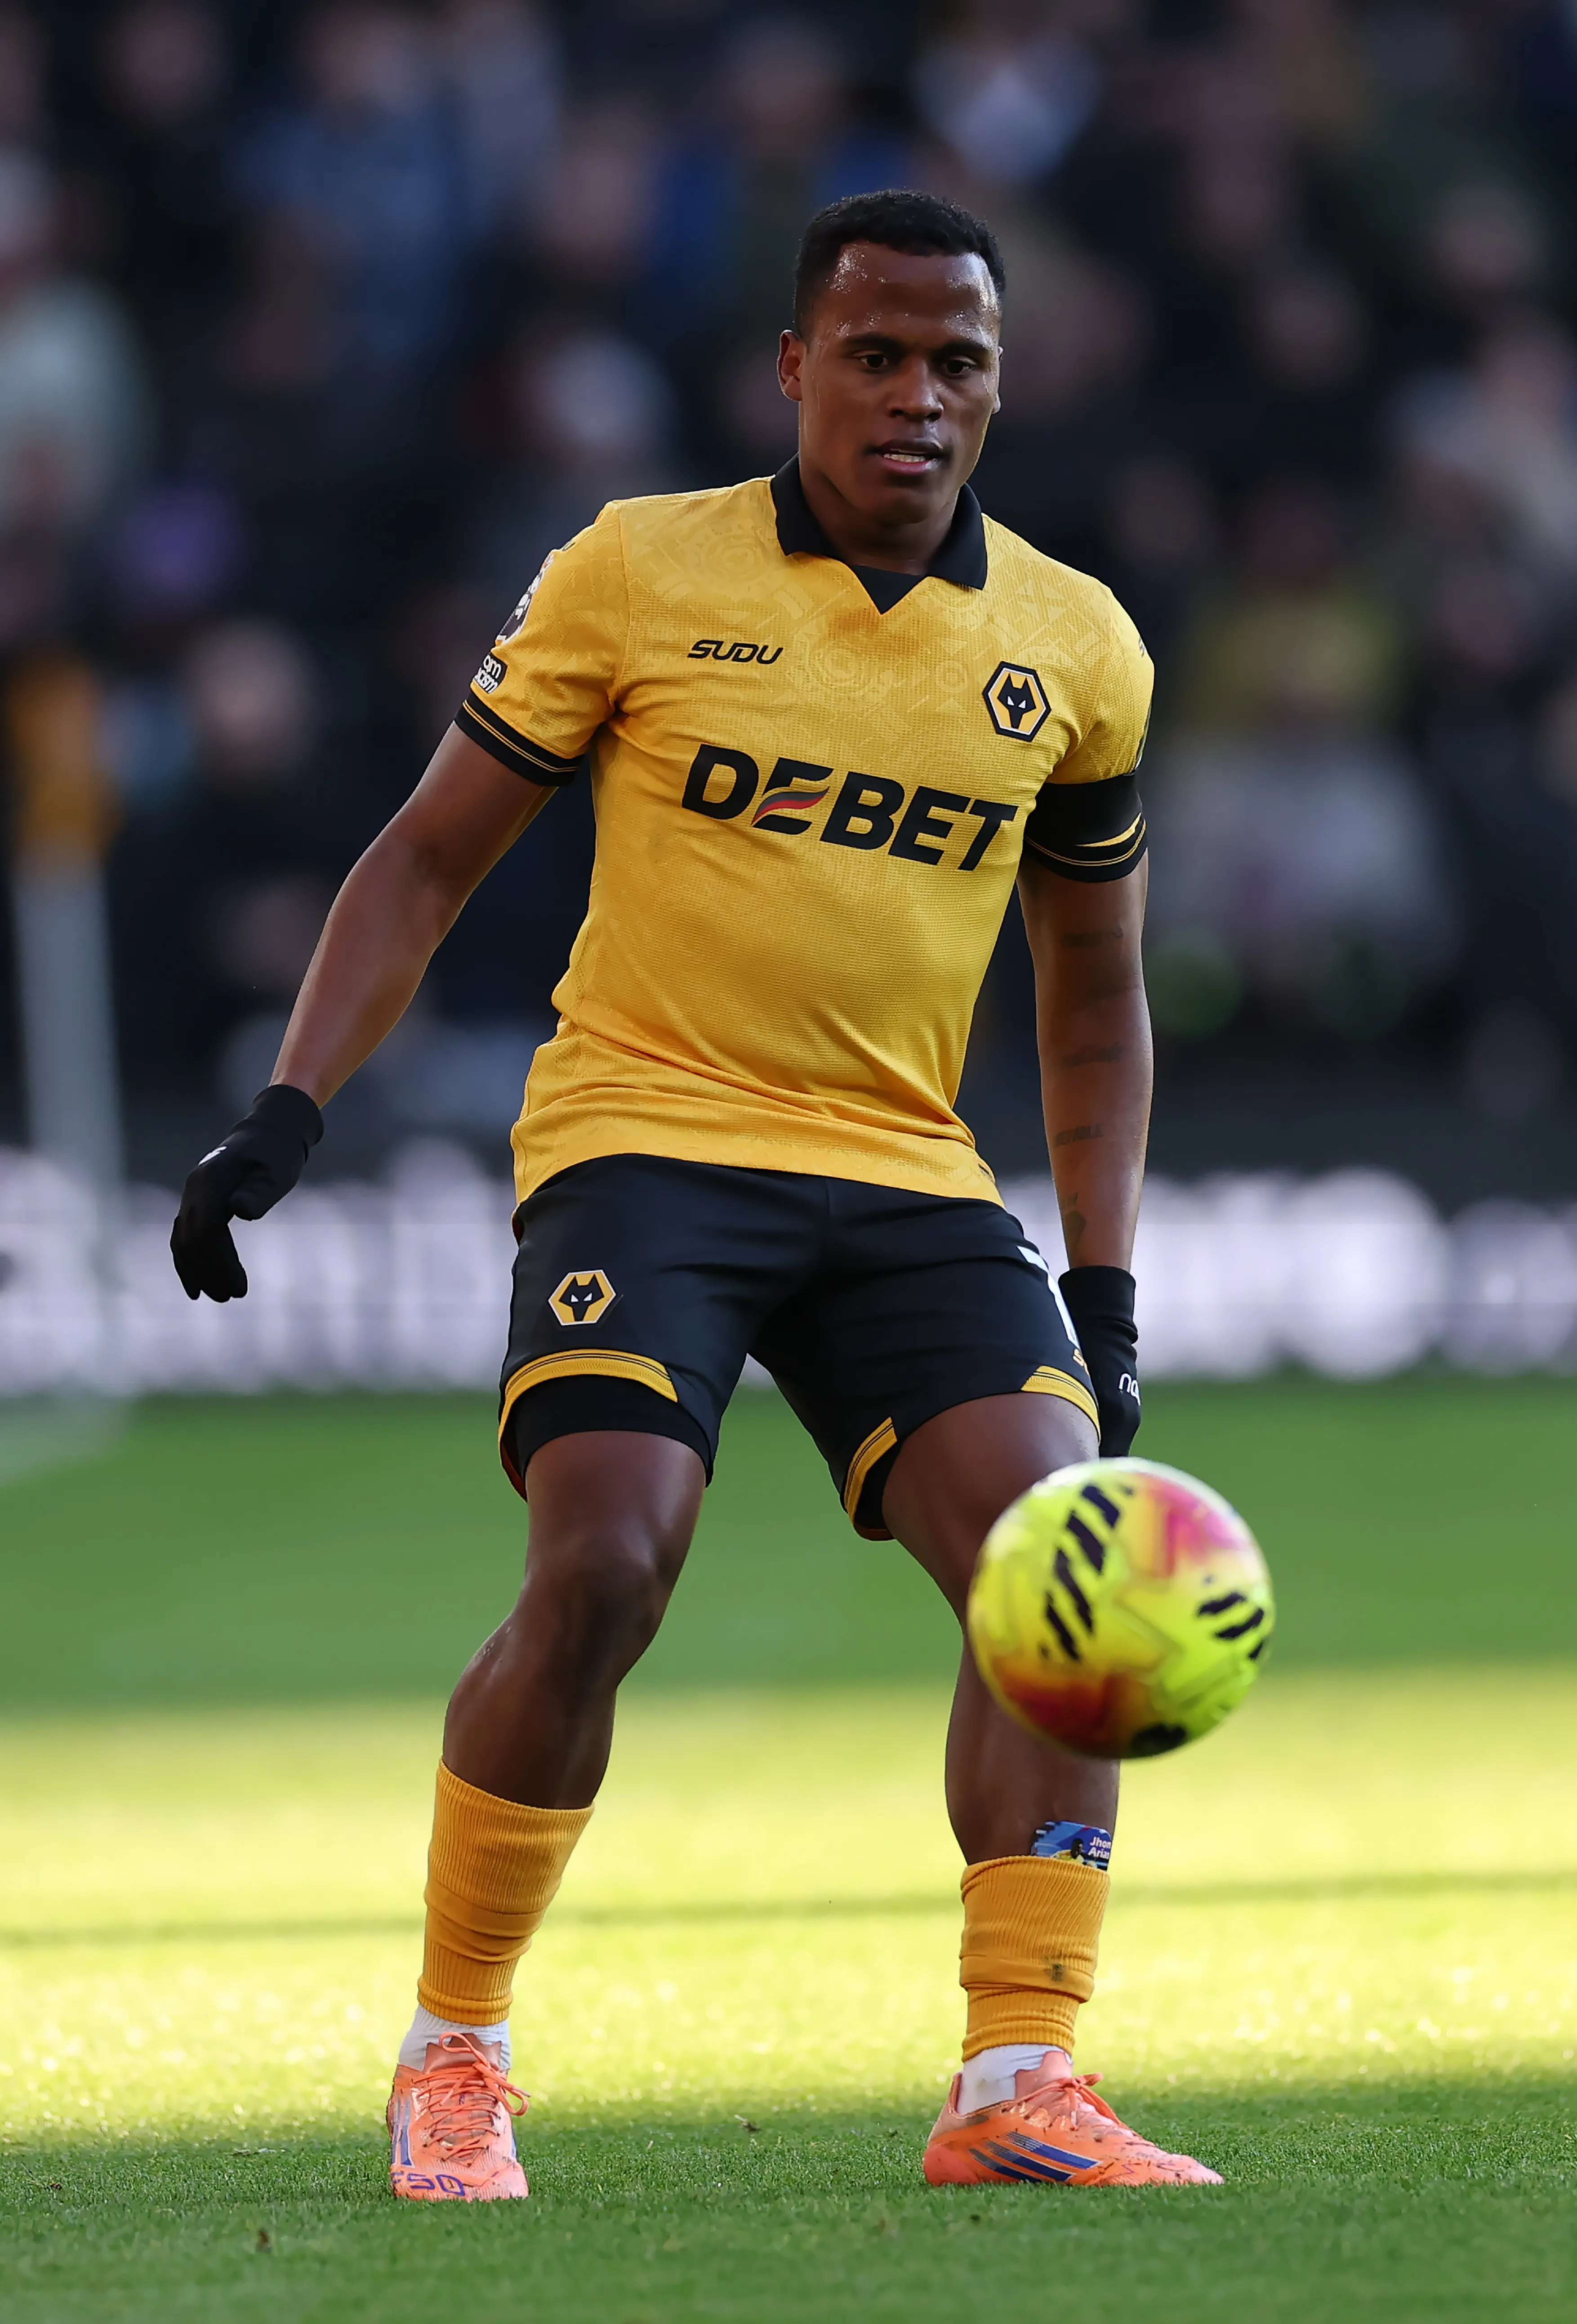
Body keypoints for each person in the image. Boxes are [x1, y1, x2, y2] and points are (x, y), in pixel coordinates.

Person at [170, 189, 1221, 2199]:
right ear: (795, 368)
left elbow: (1097, 993)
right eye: (880, 353)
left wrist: (1104, 1282)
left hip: (910, 1172)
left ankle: (1019, 2075)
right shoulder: (641, 571)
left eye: (962, 362)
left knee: (1071, 1577)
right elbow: (424, 857)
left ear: (1005, 384)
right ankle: (455, 2050)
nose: (920, 396)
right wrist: (290, 1106)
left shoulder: (1077, 649)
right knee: (611, 1560)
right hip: (647, 1140)